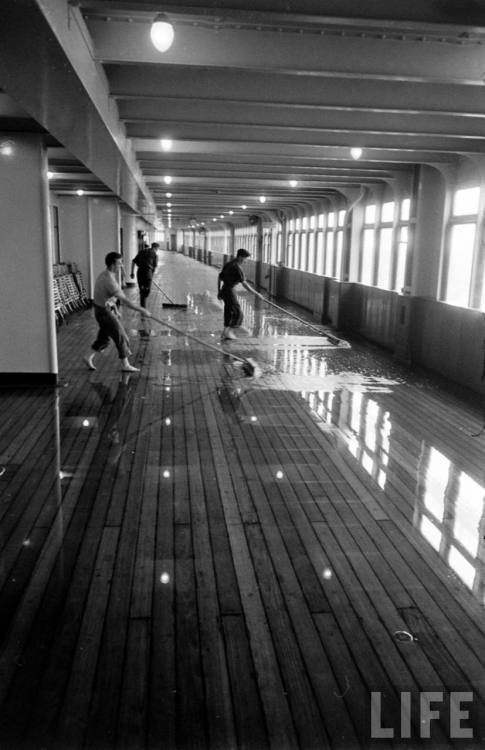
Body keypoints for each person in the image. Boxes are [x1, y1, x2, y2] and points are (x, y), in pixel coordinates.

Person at [84, 252, 151, 372]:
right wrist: (142, 309)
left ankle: (88, 356)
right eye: (119, 263)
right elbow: (125, 301)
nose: (121, 265)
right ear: (112, 264)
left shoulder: (104, 274)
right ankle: (125, 365)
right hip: (104, 313)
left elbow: (106, 297)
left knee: (104, 338)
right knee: (121, 336)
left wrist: (115, 308)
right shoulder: (109, 280)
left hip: (102, 311)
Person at [217, 248, 261, 340]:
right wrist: (257, 294)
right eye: (245, 258)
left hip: (224, 289)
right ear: (240, 257)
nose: (246, 260)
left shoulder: (228, 264)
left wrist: (219, 292)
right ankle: (228, 332)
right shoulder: (237, 267)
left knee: (228, 311)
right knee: (238, 312)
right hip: (229, 291)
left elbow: (219, 278)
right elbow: (244, 284)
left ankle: (225, 331)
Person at [130, 242, 159, 308]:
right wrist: (151, 276)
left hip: (139, 272)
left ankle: (143, 307)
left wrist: (132, 273)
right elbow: (155, 267)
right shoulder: (155, 254)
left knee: (142, 291)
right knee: (146, 291)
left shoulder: (142, 251)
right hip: (148, 272)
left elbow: (133, 261)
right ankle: (143, 307)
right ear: (156, 248)